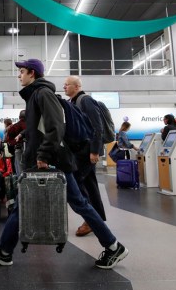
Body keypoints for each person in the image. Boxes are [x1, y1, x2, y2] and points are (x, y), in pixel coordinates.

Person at [0, 58, 128, 269]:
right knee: (24, 204)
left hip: (52, 161)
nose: (18, 75)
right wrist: (27, 137)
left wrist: (43, 155)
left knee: (78, 203)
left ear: (32, 73)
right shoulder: (35, 95)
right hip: (48, 160)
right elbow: (41, 129)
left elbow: (55, 126)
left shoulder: (43, 94)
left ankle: (114, 247)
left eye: (21, 71)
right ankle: (4, 250)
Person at [63, 75, 108, 237]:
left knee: (75, 182)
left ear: (76, 86)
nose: (64, 87)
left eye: (67, 85)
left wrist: (95, 150)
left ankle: (90, 219)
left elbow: (97, 127)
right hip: (78, 151)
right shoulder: (72, 103)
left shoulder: (86, 101)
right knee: (90, 184)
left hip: (86, 151)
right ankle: (96, 219)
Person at [8, 110, 26, 174]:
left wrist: (12, 152)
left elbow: (10, 142)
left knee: (20, 172)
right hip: (32, 151)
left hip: (19, 150)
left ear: (19, 117)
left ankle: (21, 183)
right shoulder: (32, 126)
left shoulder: (14, 127)